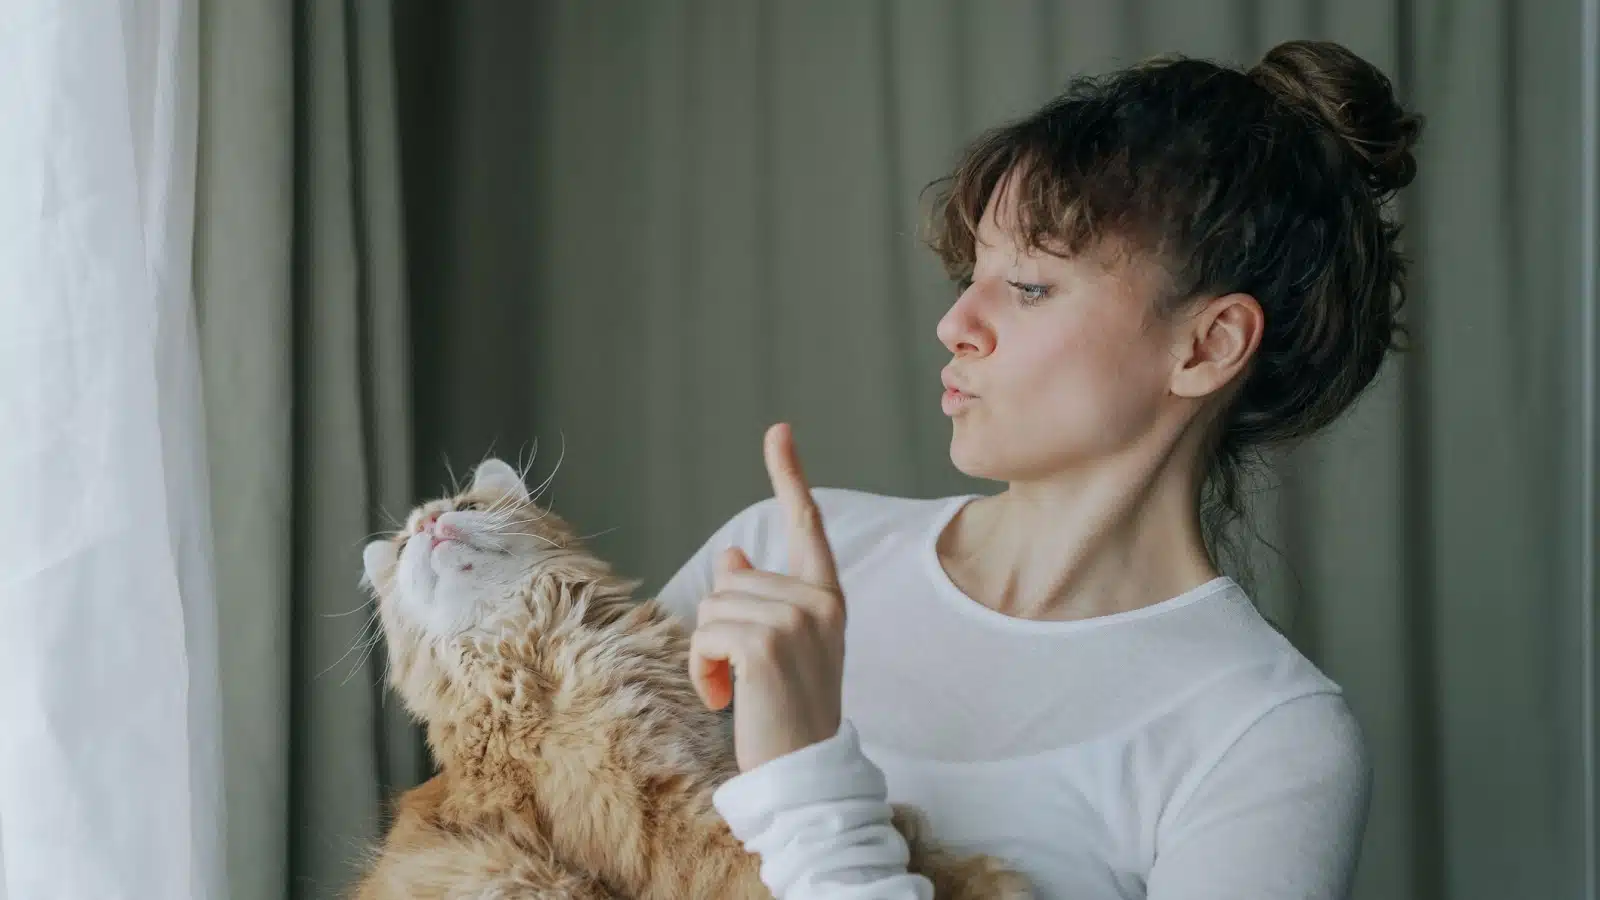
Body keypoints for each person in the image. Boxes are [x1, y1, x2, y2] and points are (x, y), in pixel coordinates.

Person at [654, 39, 1421, 900]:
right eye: (968, 273)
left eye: (1027, 287)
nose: (955, 324)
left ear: (1208, 346)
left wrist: (802, 777)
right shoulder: (777, 564)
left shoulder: (1264, 739)